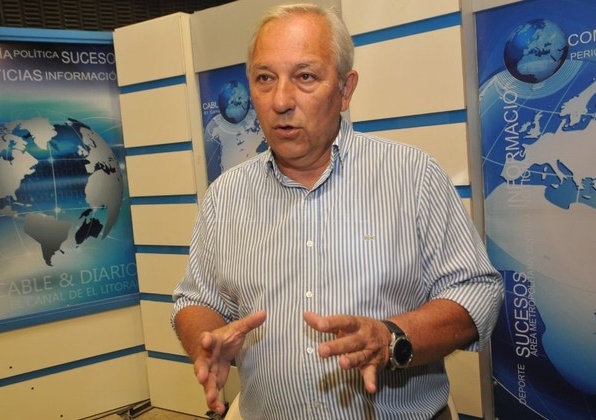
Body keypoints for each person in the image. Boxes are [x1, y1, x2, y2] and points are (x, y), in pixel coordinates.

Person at [172, 3, 503, 419]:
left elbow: (476, 291)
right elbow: (196, 298)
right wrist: (205, 339)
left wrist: (391, 338)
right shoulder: (225, 196)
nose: (281, 101)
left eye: (305, 77)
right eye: (265, 78)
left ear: (346, 90)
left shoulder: (412, 175)